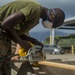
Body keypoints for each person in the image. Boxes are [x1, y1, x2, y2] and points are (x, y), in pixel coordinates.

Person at [0, 0, 65, 75]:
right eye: (53, 25)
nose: (50, 27)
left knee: (6, 69)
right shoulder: (34, 9)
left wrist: (34, 41)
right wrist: (21, 43)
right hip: (2, 34)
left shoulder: (35, 18)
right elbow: (5, 24)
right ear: (52, 16)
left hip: (5, 38)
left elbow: (16, 32)